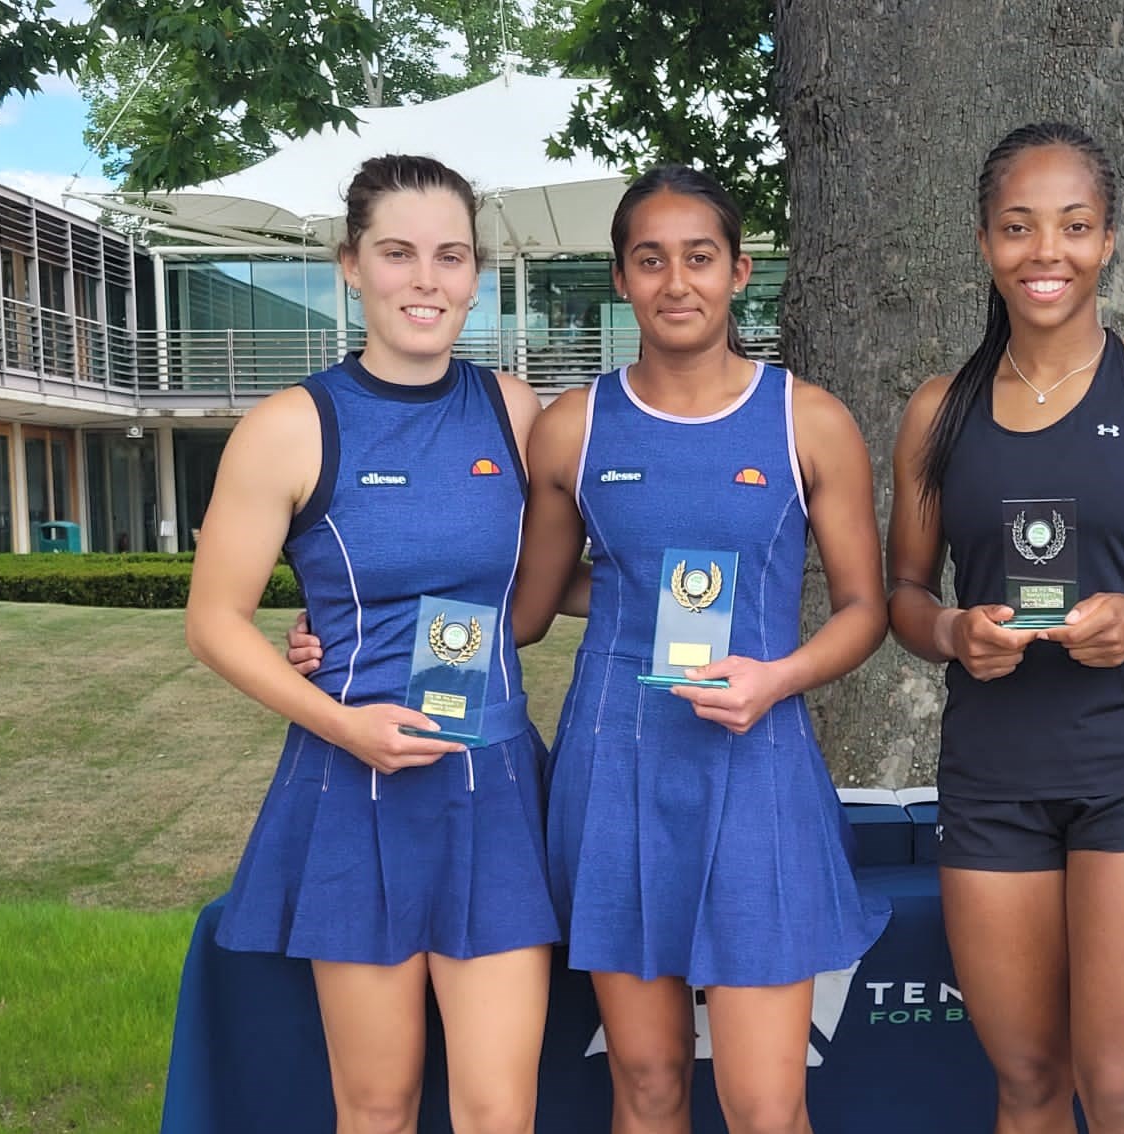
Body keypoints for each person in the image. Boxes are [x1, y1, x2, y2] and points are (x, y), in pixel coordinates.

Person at [885, 122, 1124, 1133]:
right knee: (1029, 1086)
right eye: (1018, 227)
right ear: (984, 243)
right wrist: (955, 632)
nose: (1045, 251)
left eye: (1073, 226)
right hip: (993, 777)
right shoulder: (936, 413)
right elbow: (904, 599)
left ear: (1109, 241)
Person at [505, 164, 889, 1134]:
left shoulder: (809, 419)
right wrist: (345, 640)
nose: (676, 281)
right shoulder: (573, 428)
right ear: (622, 280)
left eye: (700, 258)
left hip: (756, 773)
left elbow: (863, 610)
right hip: (616, 777)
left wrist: (780, 677)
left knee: (764, 1105)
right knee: (647, 1086)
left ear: (740, 273)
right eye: (650, 260)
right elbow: (527, 610)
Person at [185, 154, 558, 1134]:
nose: (425, 281)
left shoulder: (517, 414)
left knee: (496, 1113)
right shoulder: (289, 426)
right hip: (355, 791)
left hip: (493, 791)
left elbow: (548, 595)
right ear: (351, 266)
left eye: (450, 256)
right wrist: (342, 721)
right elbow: (214, 621)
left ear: (477, 274)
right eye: (397, 254)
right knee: (379, 1107)